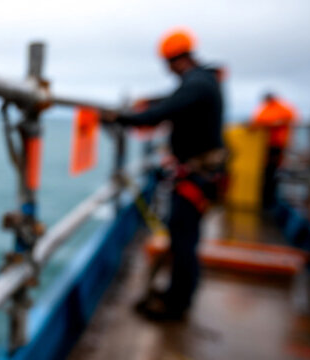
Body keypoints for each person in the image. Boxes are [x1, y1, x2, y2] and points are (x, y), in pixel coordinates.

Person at [101, 27, 225, 320]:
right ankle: (177, 295)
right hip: (199, 174)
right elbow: (172, 101)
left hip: (196, 176)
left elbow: (161, 113)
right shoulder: (203, 80)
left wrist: (119, 116)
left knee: (183, 241)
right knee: (182, 237)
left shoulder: (196, 84)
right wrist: (150, 102)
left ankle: (176, 305)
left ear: (174, 61)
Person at [250, 93, 297, 209]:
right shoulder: (265, 108)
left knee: (272, 171)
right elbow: (256, 121)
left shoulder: (282, 108)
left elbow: (289, 119)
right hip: (264, 145)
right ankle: (265, 198)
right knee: (266, 172)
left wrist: (271, 124)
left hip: (276, 145)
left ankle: (269, 200)